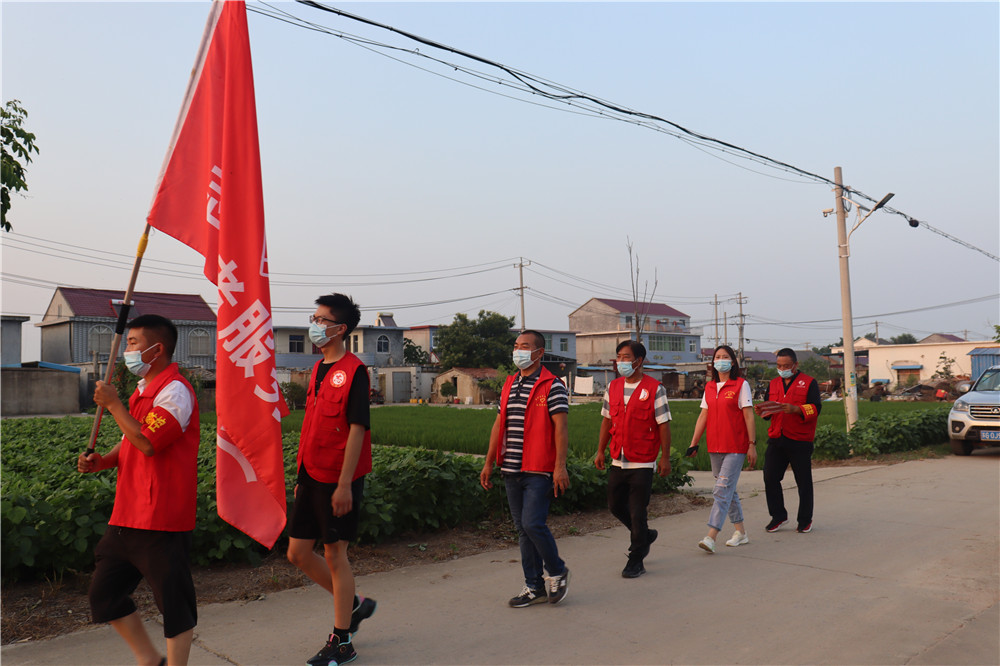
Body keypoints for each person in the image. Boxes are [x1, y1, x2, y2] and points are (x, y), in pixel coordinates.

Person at [77, 314, 200, 666]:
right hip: (128, 514)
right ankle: (150, 659)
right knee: (105, 595)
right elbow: (130, 442)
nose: (127, 350)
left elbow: (147, 443)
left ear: (157, 349)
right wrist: (102, 461)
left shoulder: (176, 391)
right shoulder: (143, 391)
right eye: (127, 342)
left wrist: (114, 405)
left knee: (174, 603)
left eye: (133, 344)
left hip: (161, 516)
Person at [286, 293, 376, 666]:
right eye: (314, 317)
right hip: (311, 473)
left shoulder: (354, 370)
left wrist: (343, 485)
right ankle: (352, 604)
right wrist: (300, 475)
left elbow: (357, 430)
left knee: (335, 554)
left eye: (321, 320)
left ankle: (342, 641)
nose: (315, 324)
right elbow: (312, 427)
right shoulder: (317, 368)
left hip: (339, 477)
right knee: (298, 553)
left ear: (340, 329)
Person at [480, 330, 571, 607]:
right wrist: (488, 462)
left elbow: (561, 428)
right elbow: (499, 425)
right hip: (511, 468)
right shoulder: (509, 384)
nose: (518, 350)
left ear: (539, 353)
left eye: (525, 346)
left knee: (533, 523)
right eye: (516, 345)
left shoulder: (552, 385)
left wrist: (560, 467)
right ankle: (533, 586)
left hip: (539, 469)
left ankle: (557, 570)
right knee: (522, 529)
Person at [594, 340, 672, 578]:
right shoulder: (613, 387)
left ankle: (636, 559)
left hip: (643, 461)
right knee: (615, 506)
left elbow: (664, 425)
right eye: (619, 357)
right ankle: (645, 535)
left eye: (626, 357)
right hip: (618, 458)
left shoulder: (655, 389)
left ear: (639, 361)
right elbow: (607, 421)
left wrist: (664, 458)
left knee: (638, 512)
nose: (621, 362)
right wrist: (600, 451)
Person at [686, 345, 757, 553]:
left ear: (733, 362)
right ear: (712, 362)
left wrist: (752, 445)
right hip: (715, 446)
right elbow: (703, 416)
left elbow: (748, 415)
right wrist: (693, 442)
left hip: (736, 446)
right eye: (717, 357)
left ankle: (711, 535)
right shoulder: (709, 388)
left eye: (726, 357)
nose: (721, 360)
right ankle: (741, 532)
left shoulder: (740, 385)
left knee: (721, 489)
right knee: (728, 489)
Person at [755, 348, 821, 534]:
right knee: (770, 477)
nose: (782, 369)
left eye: (786, 366)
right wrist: (763, 412)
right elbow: (770, 411)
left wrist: (797, 409)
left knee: (803, 482)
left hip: (800, 439)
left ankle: (805, 520)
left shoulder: (808, 383)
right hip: (777, 437)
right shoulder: (774, 383)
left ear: (795, 365)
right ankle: (778, 516)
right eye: (779, 366)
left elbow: (816, 408)